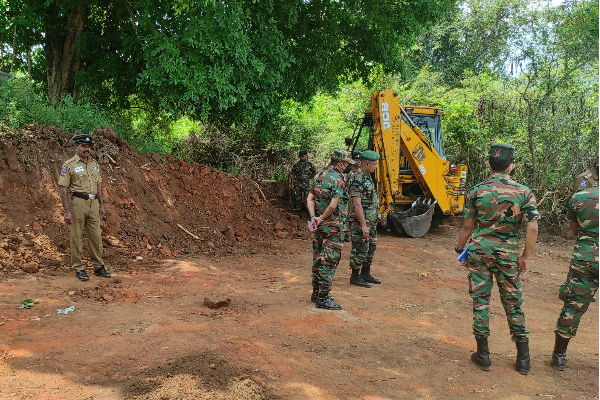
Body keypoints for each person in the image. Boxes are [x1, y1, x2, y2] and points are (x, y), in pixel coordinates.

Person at [455, 143, 539, 375]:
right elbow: (532, 228)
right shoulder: (524, 192)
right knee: (513, 304)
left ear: (487, 164)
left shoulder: (475, 190)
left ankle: (483, 354)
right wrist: (526, 257)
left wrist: (460, 249)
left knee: (480, 301)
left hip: (480, 252)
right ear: (511, 166)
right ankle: (523, 358)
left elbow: (466, 226)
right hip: (508, 254)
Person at [551, 186, 599, 371]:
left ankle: (559, 356)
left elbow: (573, 226)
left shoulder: (580, 196)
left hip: (585, 256)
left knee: (573, 305)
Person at [307, 149, 356, 310]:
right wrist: (322, 218)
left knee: (318, 258)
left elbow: (310, 198)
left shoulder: (318, 176)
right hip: (334, 227)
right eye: (348, 164)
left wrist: (314, 217)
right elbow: (333, 205)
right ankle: (323, 297)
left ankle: (316, 292)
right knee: (330, 260)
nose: (349, 167)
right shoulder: (339, 179)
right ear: (341, 163)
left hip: (319, 226)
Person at [58, 134, 111, 281]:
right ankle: (79, 267)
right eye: (83, 146)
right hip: (78, 204)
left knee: (96, 237)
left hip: (93, 204)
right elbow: (64, 189)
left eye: (88, 147)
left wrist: (101, 205)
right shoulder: (69, 165)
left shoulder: (94, 163)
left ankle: (98, 267)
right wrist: (66, 211)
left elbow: (99, 186)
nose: (86, 149)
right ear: (76, 147)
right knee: (76, 237)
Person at [348, 150, 381, 288]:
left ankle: (365, 273)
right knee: (360, 248)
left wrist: (377, 213)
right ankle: (355, 276)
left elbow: (372, 199)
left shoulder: (367, 177)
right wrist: (363, 225)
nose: (375, 166)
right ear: (366, 163)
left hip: (371, 221)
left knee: (371, 247)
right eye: (374, 164)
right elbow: (356, 204)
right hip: (361, 221)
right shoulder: (357, 179)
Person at [290, 151, 316, 219]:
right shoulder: (296, 165)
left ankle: (308, 214)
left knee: (307, 199)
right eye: (302, 156)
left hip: (306, 185)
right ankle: (299, 213)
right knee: (297, 199)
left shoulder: (310, 165)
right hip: (298, 184)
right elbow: (293, 174)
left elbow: (314, 172)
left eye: (304, 156)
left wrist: (309, 178)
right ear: (299, 157)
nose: (303, 157)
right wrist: (292, 184)